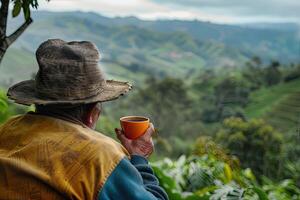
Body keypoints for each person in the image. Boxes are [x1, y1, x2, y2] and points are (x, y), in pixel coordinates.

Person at [0, 39, 168, 200]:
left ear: (39, 103)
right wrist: (139, 158)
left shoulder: (7, 129)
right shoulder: (101, 158)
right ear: (91, 114)